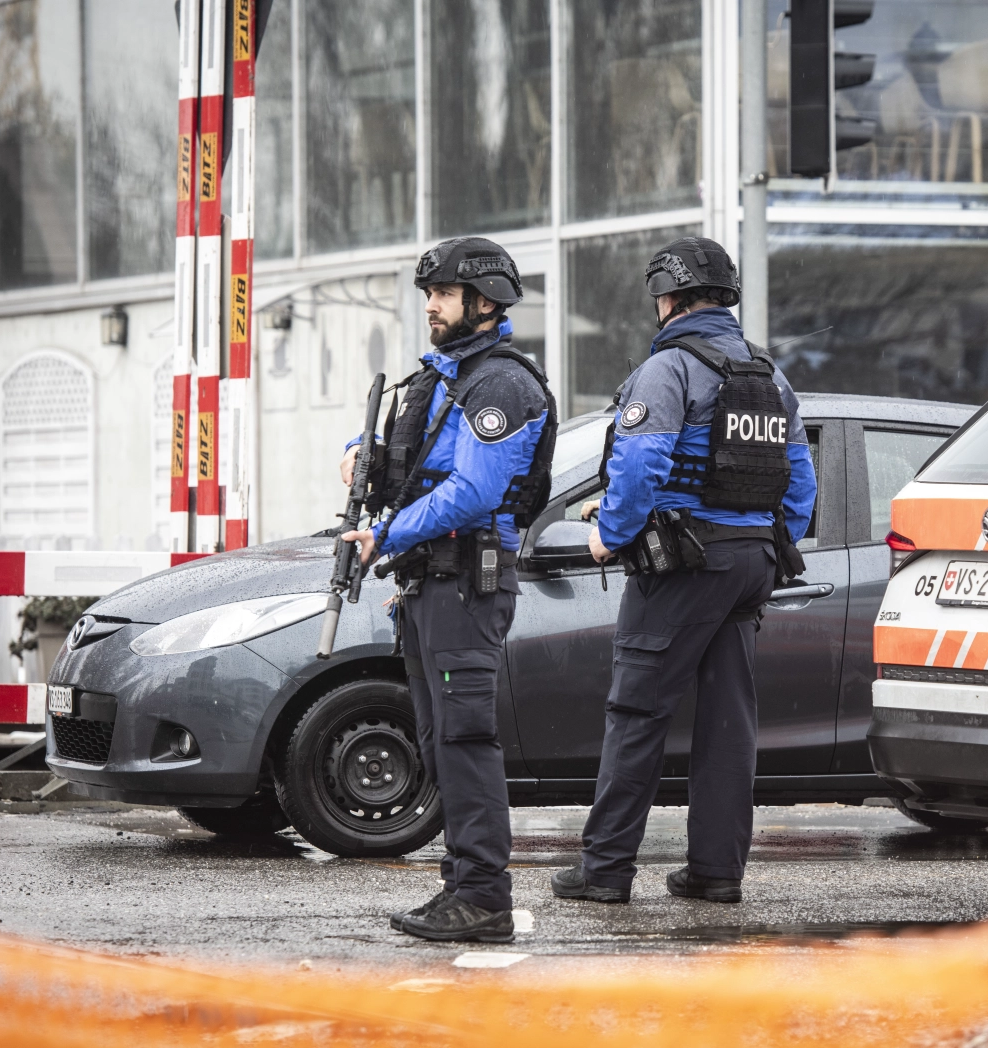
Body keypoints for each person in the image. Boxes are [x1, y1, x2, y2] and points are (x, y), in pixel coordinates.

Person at [550, 237, 816, 905]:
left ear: (667, 299)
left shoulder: (670, 369)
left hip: (686, 564)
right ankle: (716, 873)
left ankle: (604, 871)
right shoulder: (768, 375)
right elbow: (801, 483)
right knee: (729, 722)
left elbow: (640, 466)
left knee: (636, 712)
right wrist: (761, 533)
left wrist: (609, 534)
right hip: (752, 562)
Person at [339, 237, 551, 942]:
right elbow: (413, 454)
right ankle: (461, 885)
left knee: (465, 740)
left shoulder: (503, 385)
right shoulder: (443, 375)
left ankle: (485, 895)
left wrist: (386, 535)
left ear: (484, 302)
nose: (429, 305)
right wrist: (355, 456)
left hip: (466, 583)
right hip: (431, 586)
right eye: (428, 293)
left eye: (443, 293)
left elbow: (473, 491)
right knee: (438, 742)